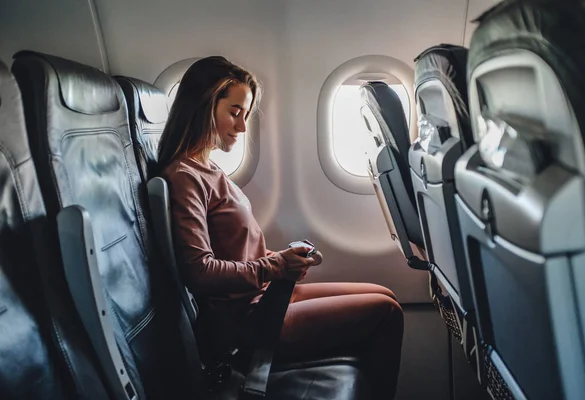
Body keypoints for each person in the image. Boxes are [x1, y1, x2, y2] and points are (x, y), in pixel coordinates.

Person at [157, 56, 404, 400]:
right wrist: (275, 266)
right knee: (387, 313)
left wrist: (282, 259)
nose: (242, 127)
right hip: (243, 322)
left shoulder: (207, 169)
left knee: (385, 293)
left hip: (260, 298)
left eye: (245, 114)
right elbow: (200, 272)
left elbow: (236, 250)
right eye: (235, 111)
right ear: (203, 105)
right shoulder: (184, 178)